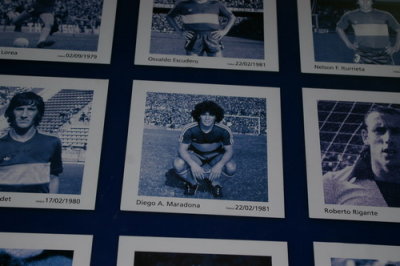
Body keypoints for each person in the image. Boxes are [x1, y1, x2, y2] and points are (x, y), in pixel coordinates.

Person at [324, 105, 400, 207]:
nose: (388, 139)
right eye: (379, 130)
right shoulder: (332, 183)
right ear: (365, 137)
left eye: (397, 132)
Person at [0, 92, 63, 193]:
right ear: (11, 112)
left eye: (31, 109)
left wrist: (49, 206)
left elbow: (53, 178)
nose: (24, 115)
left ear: (38, 113)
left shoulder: (52, 143)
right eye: (19, 109)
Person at [173, 100, 236, 198]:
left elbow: (230, 150)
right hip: (196, 155)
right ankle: (192, 183)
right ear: (198, 115)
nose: (207, 118)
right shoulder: (190, 129)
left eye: (211, 115)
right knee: (178, 163)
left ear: (216, 116)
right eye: (204, 114)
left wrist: (219, 165)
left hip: (215, 155)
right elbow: (182, 150)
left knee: (231, 167)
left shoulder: (223, 130)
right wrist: (193, 164)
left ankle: (216, 184)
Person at [336, 0, 400, 65]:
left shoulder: (386, 15)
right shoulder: (350, 15)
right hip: (362, 54)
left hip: (383, 54)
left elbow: (399, 29)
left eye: (368, 0)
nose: (365, 2)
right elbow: (339, 28)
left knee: (387, 74)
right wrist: (348, 44)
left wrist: (396, 47)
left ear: (372, 2)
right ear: (357, 2)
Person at [166, 0, 236, 57]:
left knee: (217, 65)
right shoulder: (183, 4)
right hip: (193, 37)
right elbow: (169, 16)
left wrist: (224, 31)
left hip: (213, 37)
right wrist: (180, 32)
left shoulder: (216, 4)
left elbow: (232, 17)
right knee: (192, 65)